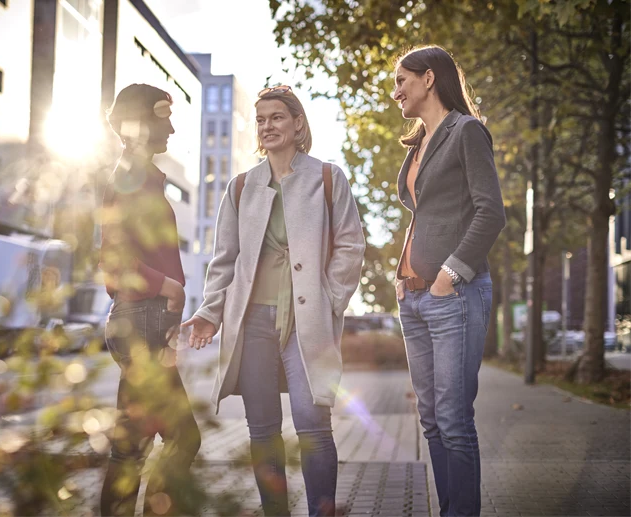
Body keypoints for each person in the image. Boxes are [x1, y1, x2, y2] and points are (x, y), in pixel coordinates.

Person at [182, 85, 365, 517]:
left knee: (314, 424)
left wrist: (330, 299)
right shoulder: (241, 186)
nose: (268, 126)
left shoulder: (327, 177)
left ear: (298, 123)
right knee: (262, 430)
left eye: (277, 117)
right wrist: (211, 313)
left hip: (307, 321)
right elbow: (224, 259)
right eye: (261, 119)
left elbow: (351, 247)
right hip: (253, 322)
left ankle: (322, 511)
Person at [391, 46, 506, 517]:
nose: (395, 90)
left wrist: (449, 274)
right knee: (433, 421)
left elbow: (491, 213)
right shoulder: (419, 143)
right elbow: (425, 215)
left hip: (454, 295)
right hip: (413, 300)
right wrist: (402, 276)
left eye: (402, 80)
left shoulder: (466, 132)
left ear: (430, 78)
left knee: (455, 422)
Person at [98, 83, 201, 517]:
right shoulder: (129, 177)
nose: (173, 128)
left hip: (145, 320)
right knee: (177, 438)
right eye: (164, 116)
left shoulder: (143, 177)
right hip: (141, 319)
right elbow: (115, 260)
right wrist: (169, 288)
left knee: (132, 443)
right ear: (140, 122)